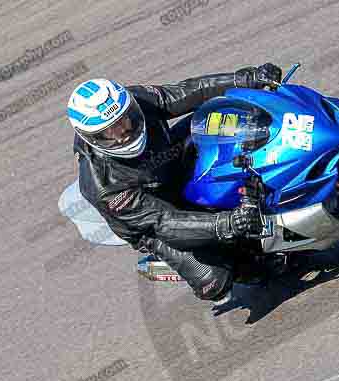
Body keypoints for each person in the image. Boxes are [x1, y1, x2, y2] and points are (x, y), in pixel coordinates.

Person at [66, 64, 282, 301]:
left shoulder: (131, 99)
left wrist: (245, 79)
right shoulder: (104, 186)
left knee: (226, 119)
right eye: (111, 132)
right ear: (93, 138)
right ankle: (174, 262)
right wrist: (227, 223)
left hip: (169, 157)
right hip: (154, 221)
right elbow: (165, 221)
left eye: (126, 120)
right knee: (216, 279)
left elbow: (186, 91)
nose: (124, 132)